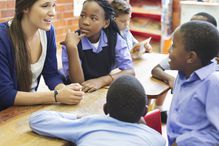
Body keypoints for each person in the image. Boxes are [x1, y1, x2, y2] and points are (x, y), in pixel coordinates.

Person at [29, 75, 166, 146]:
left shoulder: (90, 124)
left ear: (105, 109)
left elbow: (37, 120)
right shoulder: (157, 139)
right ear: (145, 111)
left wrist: (78, 118)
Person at [0, 0, 84, 111]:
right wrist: (56, 95)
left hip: (26, 110)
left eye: (53, 5)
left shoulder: (48, 32)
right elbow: (5, 95)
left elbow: (51, 75)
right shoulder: (3, 37)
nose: (53, 12)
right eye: (45, 6)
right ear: (25, 8)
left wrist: (65, 91)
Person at [62, 0, 135, 93]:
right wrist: (72, 48)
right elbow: (78, 83)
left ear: (106, 23)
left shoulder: (114, 39)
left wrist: (102, 81)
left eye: (93, 18)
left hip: (101, 91)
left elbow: (130, 72)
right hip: (77, 95)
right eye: (82, 15)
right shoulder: (71, 42)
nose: (85, 22)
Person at [167, 21, 219, 146]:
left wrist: (181, 142)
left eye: (173, 46)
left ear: (190, 57)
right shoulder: (183, 73)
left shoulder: (213, 83)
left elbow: (216, 134)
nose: (169, 50)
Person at [151, 12, 218, 89]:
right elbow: (156, 69)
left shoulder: (213, 82)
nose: (190, 29)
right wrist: (171, 79)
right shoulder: (182, 59)